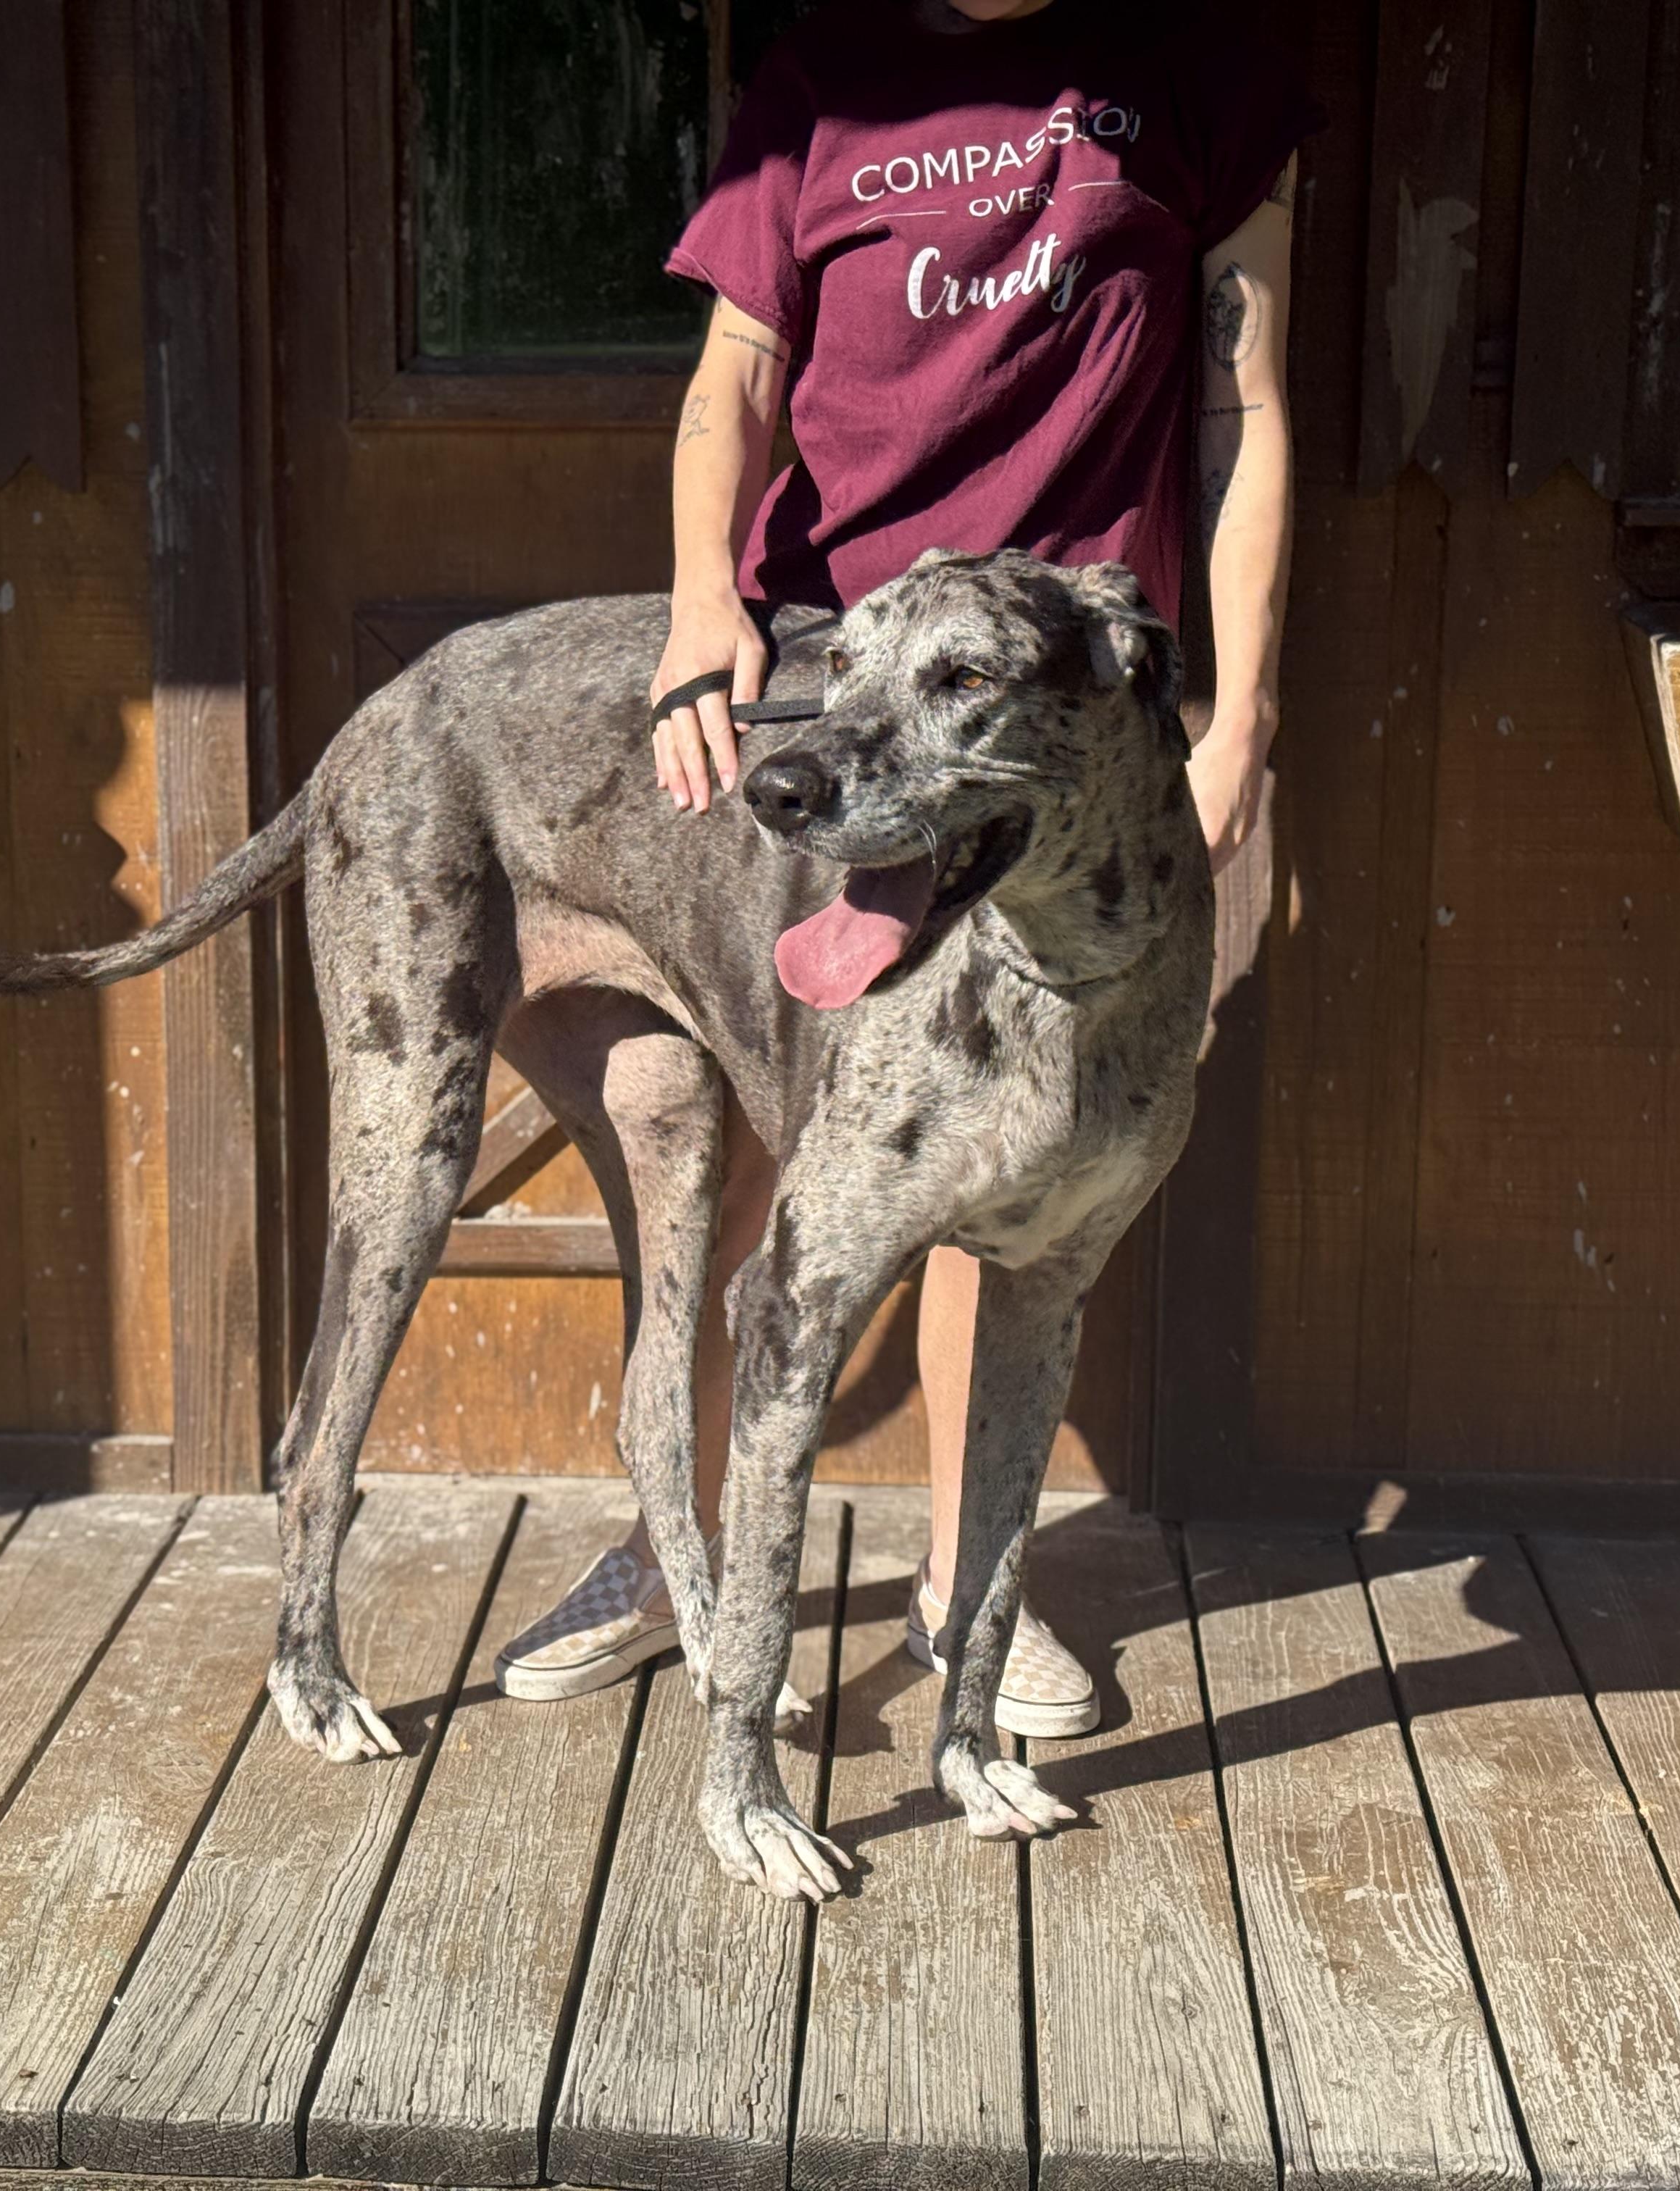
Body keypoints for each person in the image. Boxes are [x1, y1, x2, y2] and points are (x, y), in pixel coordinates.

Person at [495, 0, 1319, 1735]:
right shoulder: (816, 81)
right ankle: (677, 1553)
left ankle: (963, 1590)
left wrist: (1238, 716)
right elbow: (733, 381)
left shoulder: (1210, 71)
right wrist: (702, 606)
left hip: (1048, 710)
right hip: (831, 668)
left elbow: (1244, 406)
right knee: (724, 1123)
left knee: (998, 1162)